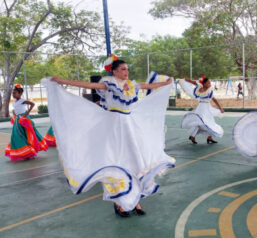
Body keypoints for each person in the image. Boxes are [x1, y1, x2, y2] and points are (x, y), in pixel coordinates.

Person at [43, 56, 174, 218]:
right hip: (113, 127)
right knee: (116, 163)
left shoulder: (132, 85)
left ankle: (135, 201)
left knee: (135, 162)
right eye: (123, 69)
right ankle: (119, 203)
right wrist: (63, 81)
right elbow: (89, 85)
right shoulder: (109, 84)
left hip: (129, 127)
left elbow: (149, 85)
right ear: (114, 71)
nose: (126, 72)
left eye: (127, 69)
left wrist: (165, 84)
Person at [5, 84, 48, 161]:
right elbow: (17, 110)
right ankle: (26, 152)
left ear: (20, 93)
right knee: (17, 135)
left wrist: (27, 113)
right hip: (18, 120)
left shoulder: (22, 100)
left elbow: (32, 104)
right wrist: (15, 116)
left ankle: (29, 151)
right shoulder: (14, 102)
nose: (13, 94)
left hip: (24, 119)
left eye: (15, 93)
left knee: (28, 135)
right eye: (13, 93)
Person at [179, 75, 224, 144]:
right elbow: (193, 82)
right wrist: (185, 79)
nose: (210, 84)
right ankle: (194, 136)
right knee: (201, 122)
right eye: (208, 83)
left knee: (207, 122)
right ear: (204, 83)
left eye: (210, 82)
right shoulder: (199, 88)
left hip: (206, 108)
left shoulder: (208, 91)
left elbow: (214, 100)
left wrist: (220, 108)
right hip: (202, 108)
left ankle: (208, 137)